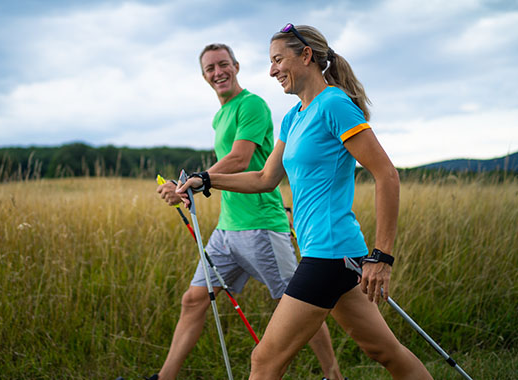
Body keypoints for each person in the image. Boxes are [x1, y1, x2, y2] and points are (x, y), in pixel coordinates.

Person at [177, 25, 434, 380]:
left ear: (307, 56)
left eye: (278, 59)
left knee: (264, 360)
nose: (271, 70)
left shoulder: (334, 104)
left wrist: (382, 256)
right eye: (270, 62)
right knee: (384, 351)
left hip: (330, 256)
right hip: (332, 255)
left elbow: (386, 174)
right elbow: (265, 178)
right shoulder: (294, 117)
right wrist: (206, 179)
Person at [147, 43, 345, 380]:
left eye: (223, 64)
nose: (218, 72)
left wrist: (193, 182)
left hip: (261, 227)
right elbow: (225, 165)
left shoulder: (251, 105)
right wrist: (188, 183)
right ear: (204, 76)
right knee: (193, 300)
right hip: (227, 230)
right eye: (210, 68)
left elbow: (240, 159)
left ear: (236, 66)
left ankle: (333, 375)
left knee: (298, 303)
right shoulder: (221, 115)